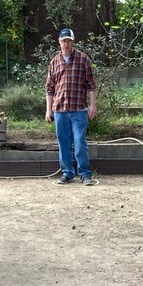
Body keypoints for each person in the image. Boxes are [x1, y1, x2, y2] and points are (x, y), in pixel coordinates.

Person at [45, 28, 97, 185]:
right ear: (59, 42)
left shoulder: (83, 59)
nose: (66, 44)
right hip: (59, 109)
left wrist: (92, 105)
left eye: (69, 40)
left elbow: (91, 85)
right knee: (63, 142)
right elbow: (49, 88)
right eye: (63, 41)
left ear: (73, 42)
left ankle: (85, 174)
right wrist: (48, 110)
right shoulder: (54, 62)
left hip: (79, 109)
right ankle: (67, 173)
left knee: (80, 142)